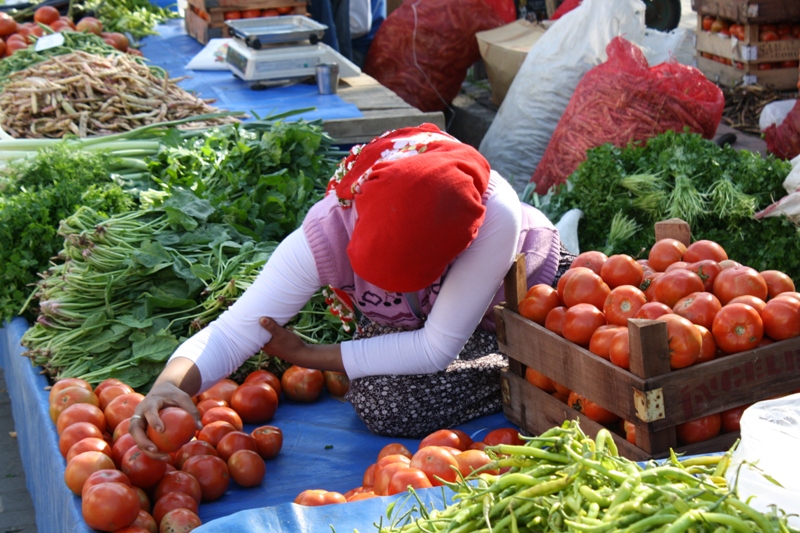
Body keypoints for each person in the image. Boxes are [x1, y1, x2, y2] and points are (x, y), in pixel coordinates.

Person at [129, 123, 574, 458]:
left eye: (409, 280)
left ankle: (521, 368)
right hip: (425, 320)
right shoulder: (328, 230)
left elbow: (435, 348)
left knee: (391, 400)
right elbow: (233, 331)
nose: (386, 288)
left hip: (511, 297)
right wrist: (168, 385)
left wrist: (308, 355)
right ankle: (527, 364)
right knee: (380, 397)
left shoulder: (496, 215)